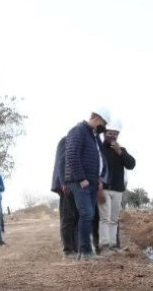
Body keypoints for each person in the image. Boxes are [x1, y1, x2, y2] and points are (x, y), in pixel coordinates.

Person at [63, 107, 113, 259]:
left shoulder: (93, 135)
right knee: (86, 214)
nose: (102, 128)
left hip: (92, 182)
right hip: (81, 182)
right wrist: (81, 178)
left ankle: (83, 251)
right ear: (96, 119)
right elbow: (72, 155)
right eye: (102, 124)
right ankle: (85, 252)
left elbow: (98, 159)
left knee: (87, 216)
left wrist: (98, 180)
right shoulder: (78, 131)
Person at [98, 120, 136, 250]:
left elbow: (131, 164)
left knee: (114, 219)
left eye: (115, 133)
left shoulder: (122, 150)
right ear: (104, 133)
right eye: (110, 133)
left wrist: (120, 152)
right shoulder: (99, 149)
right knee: (105, 218)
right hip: (104, 188)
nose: (112, 135)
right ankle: (104, 243)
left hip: (118, 190)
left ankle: (113, 244)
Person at [51, 135, 77, 257]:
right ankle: (68, 250)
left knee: (76, 217)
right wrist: (64, 182)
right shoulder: (66, 141)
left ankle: (75, 248)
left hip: (76, 184)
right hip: (66, 184)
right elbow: (61, 162)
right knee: (67, 217)